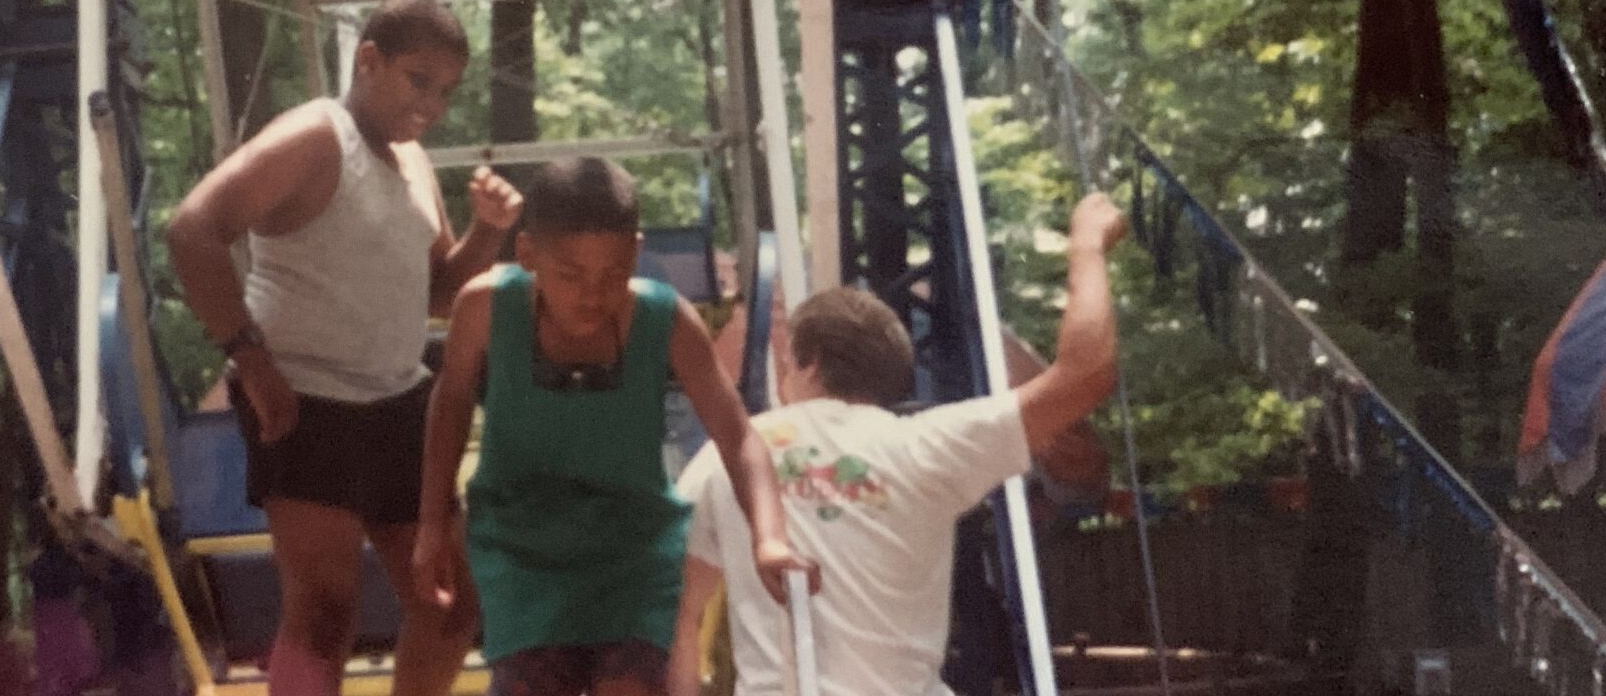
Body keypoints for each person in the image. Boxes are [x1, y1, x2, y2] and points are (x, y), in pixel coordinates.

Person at [166, 0, 522, 696]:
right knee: (325, 613)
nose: (434, 106)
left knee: (450, 606)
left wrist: (488, 229)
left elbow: (439, 293)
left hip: (397, 399)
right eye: (419, 81)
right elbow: (192, 229)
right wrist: (252, 359)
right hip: (305, 399)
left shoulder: (413, 160)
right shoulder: (313, 135)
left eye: (447, 91)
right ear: (368, 61)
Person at [665, 193, 1132, 696]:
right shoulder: (927, 445)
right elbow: (1085, 375)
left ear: (809, 363)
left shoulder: (729, 454)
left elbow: (676, 614)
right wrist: (1086, 244)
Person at [414, 158, 815, 696]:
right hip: (522, 544)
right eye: (570, 275)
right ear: (528, 254)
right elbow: (451, 402)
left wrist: (768, 538)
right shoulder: (485, 306)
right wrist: (433, 524)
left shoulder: (664, 318)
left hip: (633, 548)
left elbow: (739, 436)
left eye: (612, 275)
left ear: (636, 252)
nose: (592, 294)